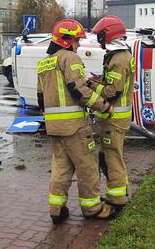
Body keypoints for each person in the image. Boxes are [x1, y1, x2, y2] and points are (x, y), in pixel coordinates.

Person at [37, 19, 115, 223]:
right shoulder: (70, 58)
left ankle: (56, 209)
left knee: (61, 169)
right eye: (77, 41)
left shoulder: (44, 62)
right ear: (66, 40)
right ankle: (93, 209)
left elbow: (40, 98)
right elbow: (79, 90)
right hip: (75, 127)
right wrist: (104, 106)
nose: (79, 45)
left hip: (53, 127)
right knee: (87, 166)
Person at [88, 15, 135, 219]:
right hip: (116, 119)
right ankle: (121, 192)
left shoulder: (118, 58)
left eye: (101, 35)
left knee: (111, 158)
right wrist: (100, 79)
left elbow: (111, 92)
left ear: (109, 34)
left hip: (113, 120)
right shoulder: (119, 55)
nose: (99, 39)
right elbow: (114, 84)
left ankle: (116, 201)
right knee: (113, 156)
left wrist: (91, 85)